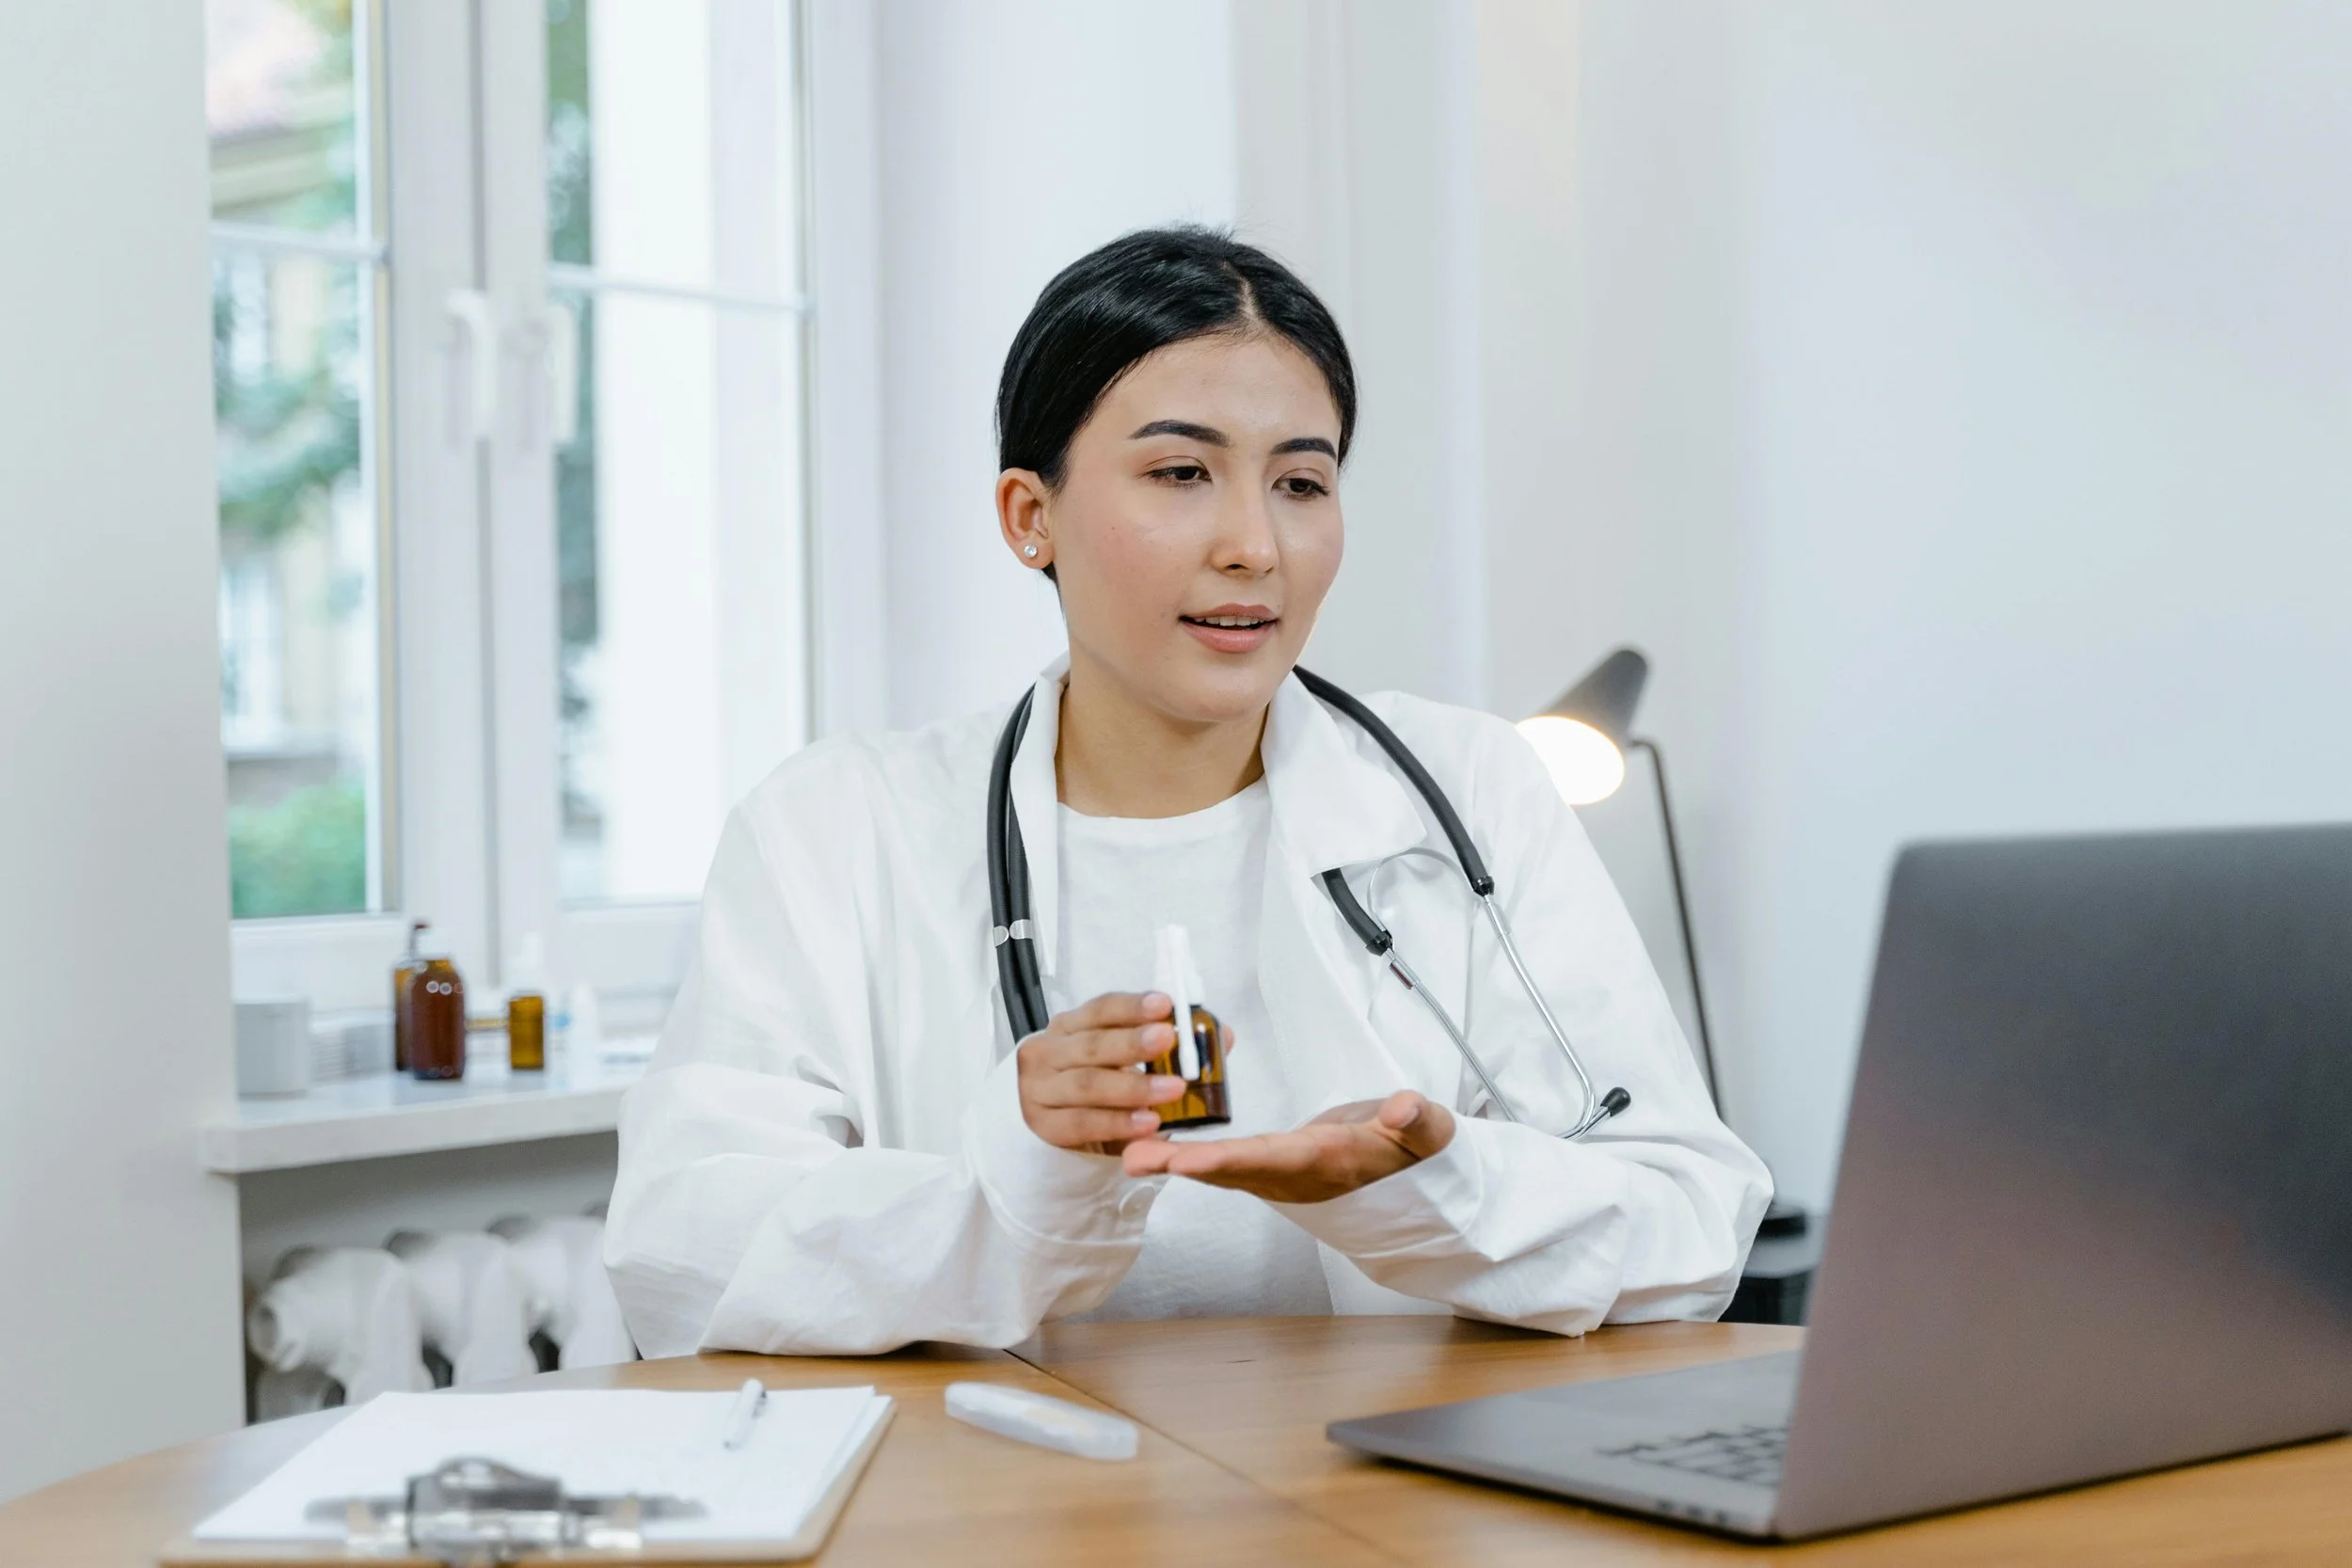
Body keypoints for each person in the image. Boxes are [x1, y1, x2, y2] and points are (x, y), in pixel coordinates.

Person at [605, 228, 1770, 1356]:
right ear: (1030, 515)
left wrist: (1428, 1185)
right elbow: (682, 1254)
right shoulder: (837, 829)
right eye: (1180, 472)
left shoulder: (1463, 788)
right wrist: (1023, 1171)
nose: (1255, 544)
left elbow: (1691, 1221)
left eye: (1301, 482)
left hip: (1381, 1503)